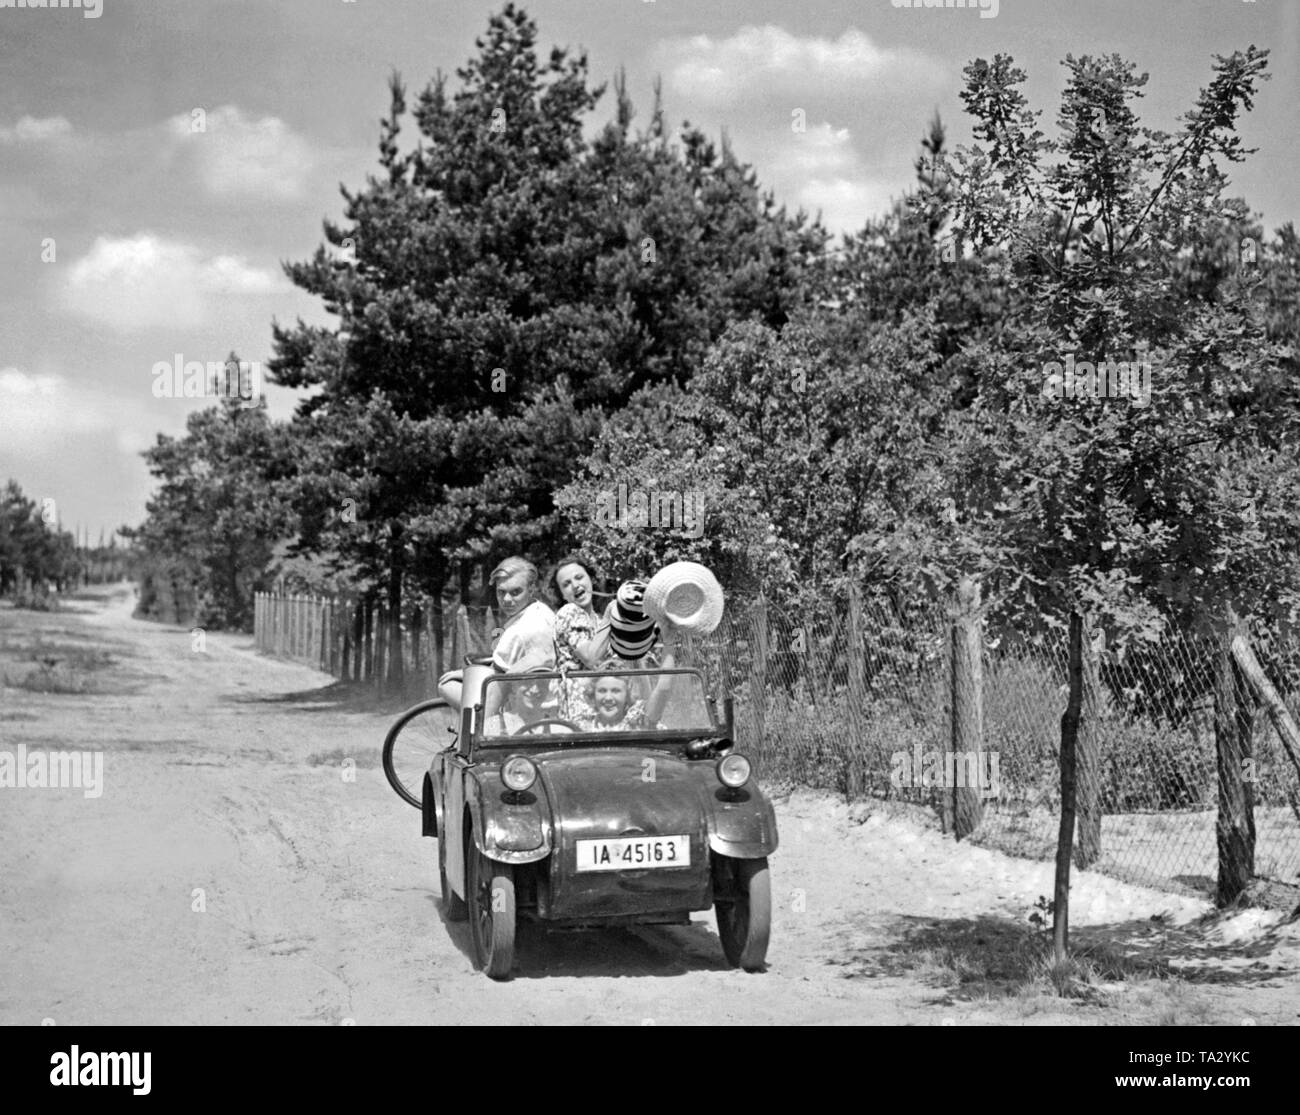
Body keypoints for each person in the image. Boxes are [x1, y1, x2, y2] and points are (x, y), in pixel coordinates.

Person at [438, 556, 556, 710]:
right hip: (548, 697)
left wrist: (464, 674)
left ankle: (469, 730)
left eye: (515, 592)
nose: (506, 599)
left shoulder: (518, 632)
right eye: (501, 592)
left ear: (531, 589)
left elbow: (496, 680)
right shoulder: (543, 611)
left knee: (446, 684)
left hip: (523, 706)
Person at [574, 643, 680, 732]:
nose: (608, 698)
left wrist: (669, 639)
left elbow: (663, 688)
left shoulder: (637, 721)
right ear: (593, 694)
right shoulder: (581, 725)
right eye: (602, 691)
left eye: (616, 691)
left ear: (626, 695)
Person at [550, 554, 616, 672]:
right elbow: (592, 660)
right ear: (562, 595)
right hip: (578, 689)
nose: (575, 585)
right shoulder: (568, 613)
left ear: (591, 579)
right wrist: (609, 616)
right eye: (566, 584)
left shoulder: (599, 620)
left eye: (579, 577)